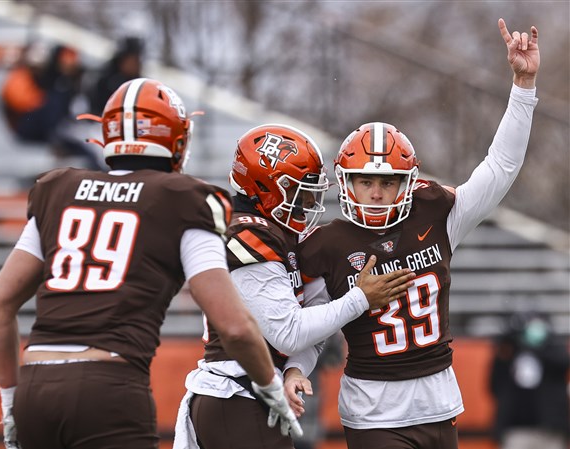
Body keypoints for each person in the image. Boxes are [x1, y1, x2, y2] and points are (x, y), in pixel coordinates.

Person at [0, 78, 302, 449]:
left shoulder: (58, 190)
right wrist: (269, 386)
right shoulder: (184, 198)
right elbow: (234, 327)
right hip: (109, 385)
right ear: (177, 142)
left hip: (34, 388)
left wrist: (10, 404)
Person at [285, 18, 541, 449]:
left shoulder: (435, 214)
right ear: (346, 182)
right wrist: (295, 369)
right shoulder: (327, 245)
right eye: (366, 181)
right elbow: (313, 327)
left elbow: (501, 168)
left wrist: (523, 85)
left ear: (409, 183)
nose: (377, 192)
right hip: (373, 410)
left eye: (388, 183)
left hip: (439, 401)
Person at [173, 124, 416, 449]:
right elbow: (288, 332)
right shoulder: (250, 235)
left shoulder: (276, 233)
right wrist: (360, 298)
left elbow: (309, 323)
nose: (305, 204)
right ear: (265, 185)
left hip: (249, 393)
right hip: (237, 395)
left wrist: (295, 370)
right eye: (298, 192)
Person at [0, 42, 103, 170]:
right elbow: (25, 103)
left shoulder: (57, 82)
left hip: (52, 125)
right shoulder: (20, 78)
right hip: (27, 126)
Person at [489, 312, 569, 449]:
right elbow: (495, 385)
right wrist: (513, 339)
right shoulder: (510, 351)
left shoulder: (552, 347)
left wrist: (538, 346)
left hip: (549, 431)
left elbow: (563, 363)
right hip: (515, 429)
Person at [87, 36, 144, 115]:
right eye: (132, 60)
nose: (136, 64)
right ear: (121, 60)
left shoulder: (141, 84)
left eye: (137, 60)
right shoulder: (103, 81)